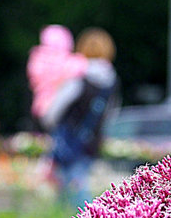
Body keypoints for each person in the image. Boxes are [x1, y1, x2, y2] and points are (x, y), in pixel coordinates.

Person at [49, 27, 119, 208]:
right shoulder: (112, 81)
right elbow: (112, 114)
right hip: (91, 142)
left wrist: (50, 123)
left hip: (69, 138)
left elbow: (55, 110)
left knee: (73, 184)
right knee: (73, 182)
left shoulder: (79, 78)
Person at [26, 25, 88, 126]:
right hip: (62, 108)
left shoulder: (36, 60)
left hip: (40, 107)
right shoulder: (70, 62)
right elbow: (83, 70)